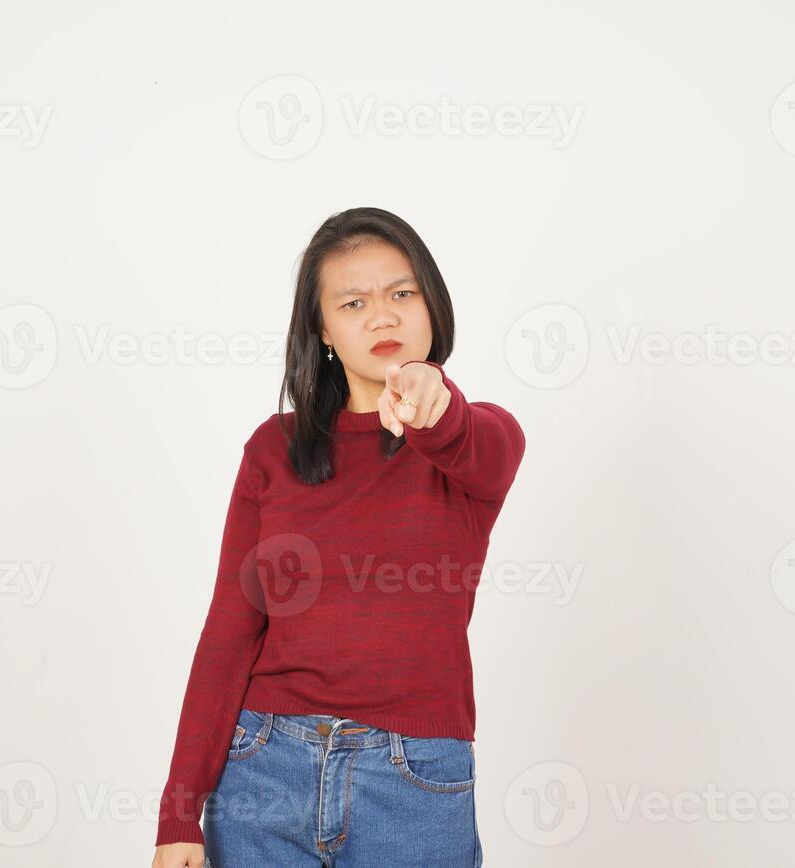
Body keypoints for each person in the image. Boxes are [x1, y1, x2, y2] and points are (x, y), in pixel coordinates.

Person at [151, 207, 526, 868]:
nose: (382, 316)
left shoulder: (478, 437)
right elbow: (229, 632)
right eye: (354, 302)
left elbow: (470, 442)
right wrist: (180, 812)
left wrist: (430, 403)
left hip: (413, 784)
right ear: (323, 330)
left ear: (431, 305)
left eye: (401, 293)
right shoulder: (275, 450)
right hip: (263, 771)